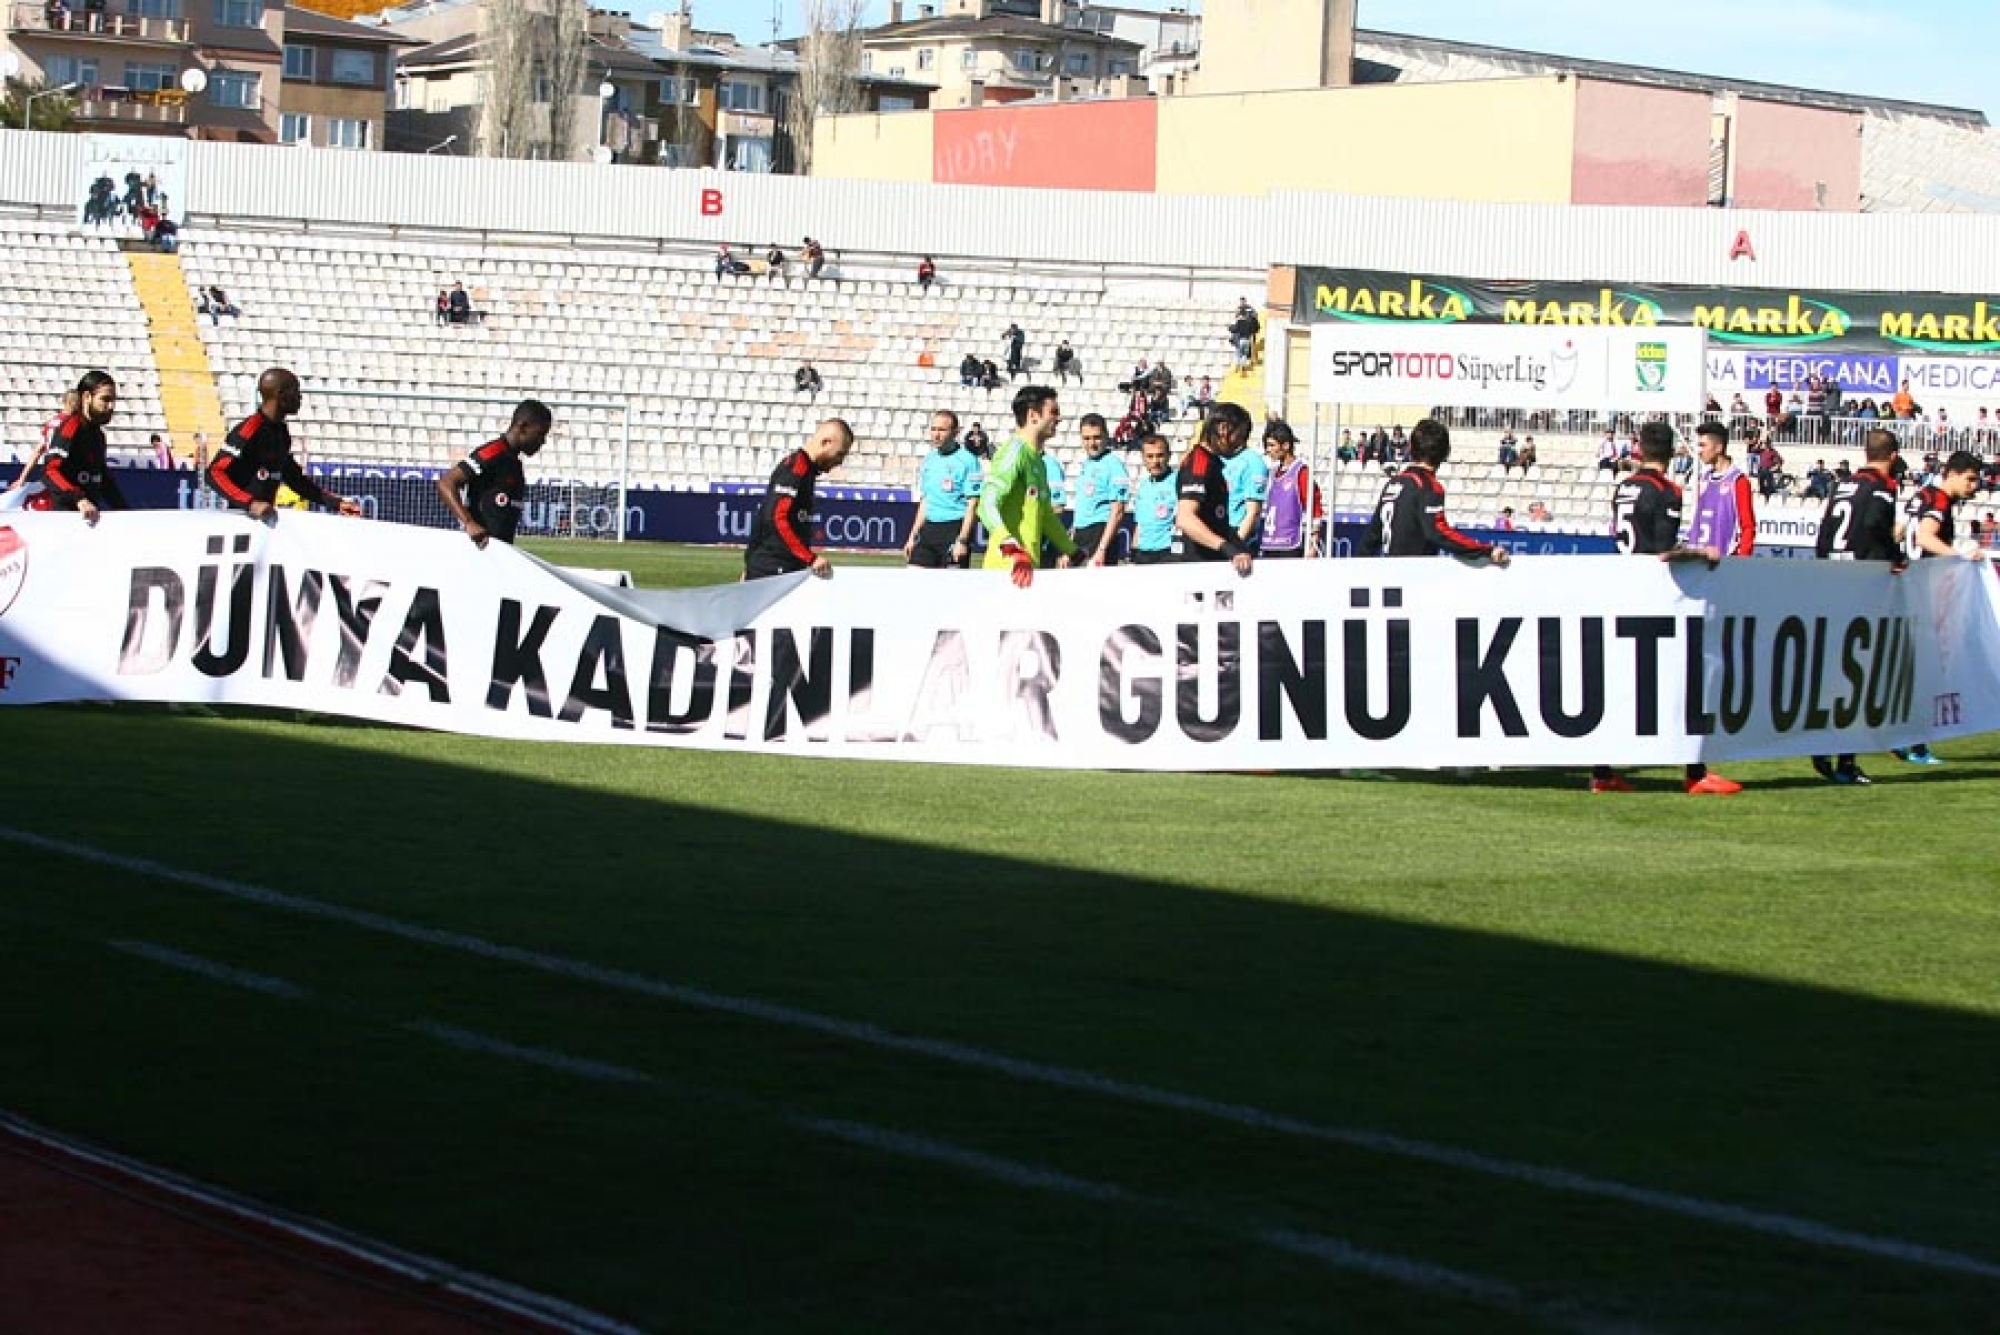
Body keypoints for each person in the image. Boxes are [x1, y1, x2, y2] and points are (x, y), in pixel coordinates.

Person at [1592, 421, 1741, 796]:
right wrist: (1701, 553)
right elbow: (1663, 550)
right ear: (1672, 453)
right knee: (1685, 677)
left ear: (1639, 450)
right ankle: (1695, 773)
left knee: (1622, 683)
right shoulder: (1667, 491)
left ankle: (1602, 771)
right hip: (1653, 597)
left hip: (1622, 588)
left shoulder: (1624, 487)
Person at [1810, 428, 1905, 785]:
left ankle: (1823, 744)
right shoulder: (1882, 486)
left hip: (1833, 578)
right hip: (1862, 584)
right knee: (1859, 671)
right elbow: (1874, 522)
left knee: (1835, 670)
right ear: (1892, 456)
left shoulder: (1844, 484)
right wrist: (1894, 556)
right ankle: (1846, 761)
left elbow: (1824, 534)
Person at [1890, 450, 1989, 766]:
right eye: (1970, 479)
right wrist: (1959, 556)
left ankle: (1899, 737)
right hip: (1923, 592)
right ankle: (1916, 744)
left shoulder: (1921, 495)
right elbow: (1925, 537)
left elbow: (1899, 531)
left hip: (1907, 590)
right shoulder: (1940, 501)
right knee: (1925, 670)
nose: (1974, 486)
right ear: (1953, 474)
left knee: (1908, 669)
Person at [206, 367, 361, 521]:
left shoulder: (281, 432)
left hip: (263, 522)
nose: (300, 397)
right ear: (280, 394)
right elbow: (213, 472)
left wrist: (336, 503)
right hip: (239, 520)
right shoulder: (250, 428)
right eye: (296, 391)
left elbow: (295, 479)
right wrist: (251, 504)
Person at [1360, 418, 1510, 565]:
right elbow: (1438, 532)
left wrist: (1356, 569)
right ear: (1446, 453)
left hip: (1389, 574)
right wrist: (1485, 550)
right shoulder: (1427, 486)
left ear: (1411, 448)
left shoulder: (1393, 483)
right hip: (1414, 575)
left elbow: (1371, 537)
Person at [977, 386, 1076, 588]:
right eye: (1054, 412)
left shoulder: (1038, 460)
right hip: (1005, 570)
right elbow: (986, 504)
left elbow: (1046, 516)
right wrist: (1011, 547)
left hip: (1028, 569)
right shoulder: (1014, 452)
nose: (1059, 419)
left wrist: (1073, 551)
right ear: (1033, 415)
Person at [743, 418, 855, 580]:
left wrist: (749, 565)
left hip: (774, 567)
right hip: (774, 569)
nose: (840, 461)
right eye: (840, 454)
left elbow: (762, 516)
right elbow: (775, 517)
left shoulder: (804, 468)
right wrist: (811, 558)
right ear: (826, 442)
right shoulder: (797, 468)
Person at [434, 399, 552, 548]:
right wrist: (469, 522)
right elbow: (446, 483)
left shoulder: (514, 462)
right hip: (479, 551)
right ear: (523, 427)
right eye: (540, 434)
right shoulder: (493, 453)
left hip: (498, 551)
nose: (543, 441)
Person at [36, 371, 130, 525]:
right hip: (65, 520)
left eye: (113, 400)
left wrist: (126, 512)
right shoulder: (70, 427)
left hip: (89, 521)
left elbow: (104, 480)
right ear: (87, 397)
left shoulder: (98, 435)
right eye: (105, 399)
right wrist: (79, 499)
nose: (111, 406)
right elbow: (50, 471)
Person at [1177, 402, 1253, 575]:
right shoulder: (1199, 463)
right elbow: (1185, 518)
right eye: (1240, 436)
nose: (1241, 444)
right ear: (1223, 429)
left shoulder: (1213, 463)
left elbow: (1215, 522)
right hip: (1198, 565)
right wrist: (1227, 548)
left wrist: (1238, 546)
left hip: (1211, 562)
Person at [903, 410, 981, 569]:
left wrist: (962, 540)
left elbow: (972, 504)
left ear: (955, 432)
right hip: (928, 530)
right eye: (933, 429)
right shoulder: (929, 460)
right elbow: (926, 500)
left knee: (950, 584)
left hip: (954, 529)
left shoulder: (969, 461)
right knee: (913, 578)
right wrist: (912, 536)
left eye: (942, 430)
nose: (936, 435)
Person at [1685, 420, 1756, 559]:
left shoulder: (1738, 481)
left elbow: (1747, 526)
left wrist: (1741, 560)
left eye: (1703, 445)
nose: (1699, 451)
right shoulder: (1703, 479)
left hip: (1725, 560)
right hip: (1699, 560)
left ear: (1718, 447)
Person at [1068, 413, 1130, 566]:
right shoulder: (1087, 465)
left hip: (1100, 532)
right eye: (1087, 438)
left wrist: (1102, 548)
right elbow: (1081, 510)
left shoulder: (1113, 465)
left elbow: (1118, 510)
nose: (1092, 443)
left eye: (1097, 437)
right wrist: (1069, 546)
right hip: (1081, 534)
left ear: (1106, 436)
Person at [1259, 420, 1322, 558]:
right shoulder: (1272, 472)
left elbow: (1315, 509)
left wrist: (1313, 543)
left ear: (1286, 446)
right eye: (1267, 445)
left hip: (1290, 545)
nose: (1268, 450)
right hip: (1269, 543)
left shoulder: (1301, 472)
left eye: (1271, 445)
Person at [1221, 415, 1270, 555]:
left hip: (1236, 537)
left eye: (1226, 428)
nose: (1221, 433)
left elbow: (1253, 513)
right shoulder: (1218, 459)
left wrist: (1232, 547)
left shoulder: (1253, 462)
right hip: (1217, 535)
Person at [1129, 433, 1177, 564]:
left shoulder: (1178, 483)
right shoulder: (1143, 487)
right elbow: (1139, 525)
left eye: (1160, 455)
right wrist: (1133, 553)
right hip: (1142, 553)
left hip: (1167, 553)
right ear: (1143, 458)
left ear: (1169, 456)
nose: (1155, 461)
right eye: (1150, 456)